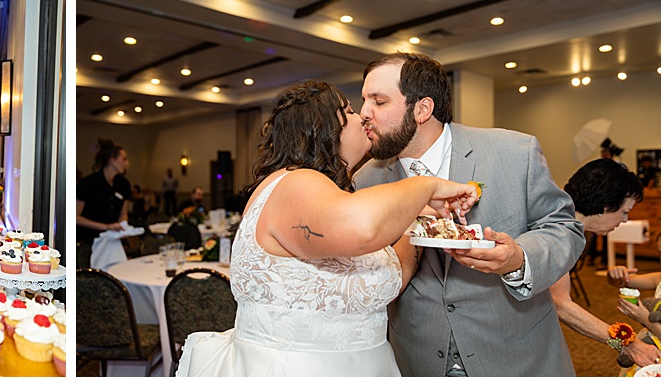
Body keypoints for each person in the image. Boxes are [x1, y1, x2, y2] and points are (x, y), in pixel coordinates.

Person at [177, 80, 477, 377]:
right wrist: (426, 185)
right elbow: (360, 228)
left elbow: (386, 278)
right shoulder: (295, 182)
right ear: (322, 127)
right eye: (348, 111)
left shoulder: (330, 199)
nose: (362, 117)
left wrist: (416, 220)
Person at [355, 52, 584, 377]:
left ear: (422, 109)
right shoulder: (366, 181)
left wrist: (518, 258)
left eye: (378, 101)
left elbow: (564, 228)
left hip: (516, 357)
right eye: (363, 100)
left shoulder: (515, 152)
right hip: (418, 360)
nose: (363, 113)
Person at [550, 159, 659, 369]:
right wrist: (627, 344)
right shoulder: (560, 232)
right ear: (605, 206)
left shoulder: (566, 223)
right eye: (624, 212)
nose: (625, 220)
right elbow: (561, 304)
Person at [76, 139, 132, 266]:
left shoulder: (124, 184)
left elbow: (123, 213)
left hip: (113, 242)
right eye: (124, 159)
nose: (127, 164)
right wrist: (106, 227)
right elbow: (75, 217)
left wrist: (123, 225)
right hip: (88, 243)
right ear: (112, 160)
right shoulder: (88, 184)